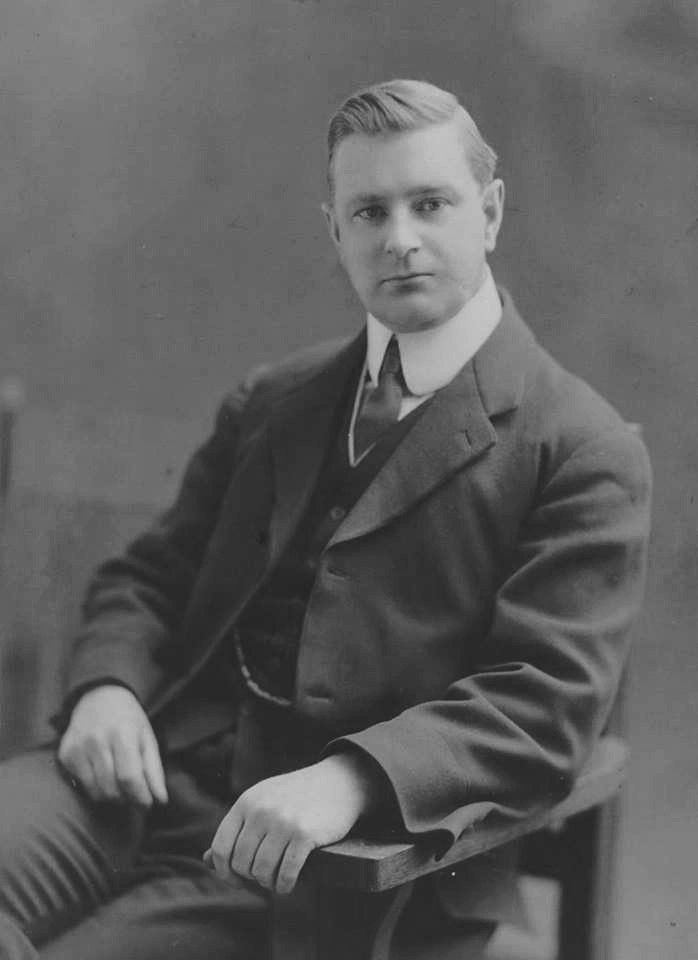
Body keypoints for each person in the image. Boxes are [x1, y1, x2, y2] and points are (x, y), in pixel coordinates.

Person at [0, 79, 651, 960]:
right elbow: (149, 578)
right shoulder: (276, 399)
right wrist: (109, 687)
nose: (401, 239)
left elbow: (541, 706)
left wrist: (351, 779)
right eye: (370, 211)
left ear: (490, 213)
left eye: (430, 203)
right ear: (335, 231)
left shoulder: (579, 448)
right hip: (139, 779)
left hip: (320, 860)